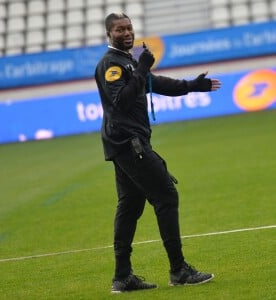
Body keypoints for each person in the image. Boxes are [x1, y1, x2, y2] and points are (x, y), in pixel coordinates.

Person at [94, 13, 222, 293]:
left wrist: (191, 86)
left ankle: (123, 277)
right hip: (129, 144)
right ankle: (179, 271)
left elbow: (155, 83)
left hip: (127, 143)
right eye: (119, 29)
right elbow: (123, 102)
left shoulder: (129, 59)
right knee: (166, 195)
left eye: (128, 27)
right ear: (109, 33)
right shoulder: (110, 64)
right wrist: (141, 68)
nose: (126, 32)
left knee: (130, 205)